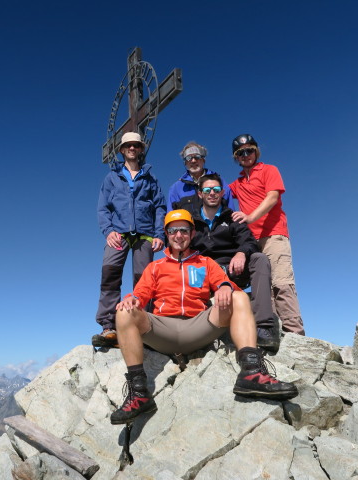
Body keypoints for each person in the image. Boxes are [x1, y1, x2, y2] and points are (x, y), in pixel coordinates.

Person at [110, 209, 298, 425]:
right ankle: (139, 393)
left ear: (191, 233)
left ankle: (251, 372)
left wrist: (225, 286)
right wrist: (131, 299)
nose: (178, 235)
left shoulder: (205, 262)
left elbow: (224, 283)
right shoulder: (155, 267)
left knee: (238, 297)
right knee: (124, 311)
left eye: (183, 230)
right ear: (166, 234)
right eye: (173, 231)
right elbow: (140, 294)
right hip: (162, 331)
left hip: (198, 327)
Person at [181, 173, 279, 351]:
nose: (212, 193)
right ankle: (188, 326)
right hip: (206, 273)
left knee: (260, 259)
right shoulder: (191, 222)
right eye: (207, 190)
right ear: (200, 194)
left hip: (234, 270)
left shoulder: (232, 218)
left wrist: (241, 253)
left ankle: (264, 327)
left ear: (222, 193)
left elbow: (249, 241)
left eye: (216, 190)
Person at [93, 131, 167, 348]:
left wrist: (159, 234)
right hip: (117, 233)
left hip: (145, 235)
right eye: (128, 146)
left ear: (141, 149)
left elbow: (160, 206)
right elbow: (103, 208)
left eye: (136, 145)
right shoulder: (111, 178)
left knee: (144, 281)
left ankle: (143, 326)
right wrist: (108, 231)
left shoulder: (150, 178)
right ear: (122, 150)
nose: (132, 148)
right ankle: (108, 326)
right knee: (110, 274)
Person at [228, 134, 305, 335]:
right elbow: (216, 192)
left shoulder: (269, 170)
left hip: (274, 235)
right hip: (252, 242)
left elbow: (272, 198)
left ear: (256, 151)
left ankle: (295, 334)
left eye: (249, 150)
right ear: (236, 157)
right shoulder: (237, 184)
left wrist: (250, 217)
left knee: (282, 284)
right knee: (264, 290)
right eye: (240, 153)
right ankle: (272, 332)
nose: (246, 155)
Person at [168, 141, 236, 211]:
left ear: (203, 160)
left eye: (197, 157)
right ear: (185, 162)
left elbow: (231, 212)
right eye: (189, 158)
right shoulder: (175, 189)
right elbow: (171, 217)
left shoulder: (219, 182)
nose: (193, 161)